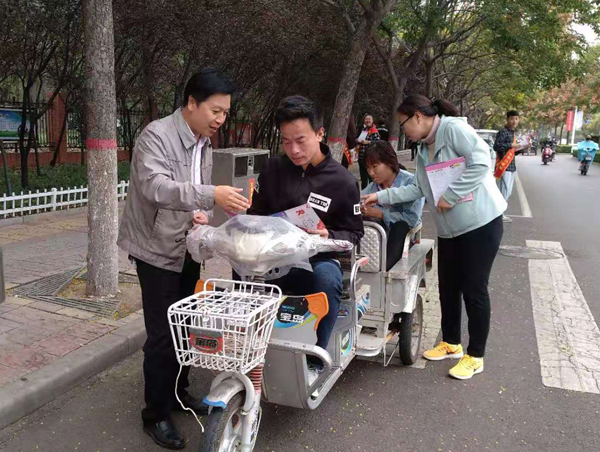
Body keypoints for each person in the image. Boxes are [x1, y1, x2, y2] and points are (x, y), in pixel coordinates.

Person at [117, 68, 250, 450]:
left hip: (186, 245)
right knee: (162, 335)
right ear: (192, 102)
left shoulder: (202, 142)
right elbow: (156, 187)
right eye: (215, 111)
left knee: (184, 326)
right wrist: (210, 196)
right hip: (156, 250)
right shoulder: (156, 136)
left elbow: (191, 192)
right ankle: (155, 415)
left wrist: (201, 214)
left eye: (225, 113)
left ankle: (177, 393)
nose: (220, 119)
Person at [362, 94, 506, 380]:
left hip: (480, 224)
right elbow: (417, 188)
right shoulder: (424, 148)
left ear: (418, 116)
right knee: (448, 287)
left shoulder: (453, 129)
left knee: (474, 290)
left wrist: (451, 195)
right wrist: (380, 196)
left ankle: (475, 356)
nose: (404, 131)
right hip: (449, 229)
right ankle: (451, 342)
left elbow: (481, 163)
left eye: (404, 124)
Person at [248, 95, 364, 369]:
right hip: (275, 255)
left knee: (328, 279)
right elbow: (256, 214)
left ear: (320, 134)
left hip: (317, 259)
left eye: (301, 140)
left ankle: (315, 356)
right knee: (242, 272)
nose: (294, 149)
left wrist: (328, 236)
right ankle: (253, 348)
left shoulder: (343, 181)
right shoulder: (272, 169)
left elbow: (354, 233)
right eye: (286, 141)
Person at [360, 140, 424, 271]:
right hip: (374, 242)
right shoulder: (371, 188)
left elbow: (411, 220)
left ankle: (384, 271)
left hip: (402, 240)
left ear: (389, 162)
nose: (371, 173)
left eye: (375, 166)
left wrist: (380, 214)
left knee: (401, 226)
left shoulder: (411, 183)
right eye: (368, 168)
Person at [493, 110, 524, 223]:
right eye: (512, 118)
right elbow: (496, 146)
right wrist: (511, 145)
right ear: (507, 119)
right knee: (502, 192)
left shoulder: (512, 133)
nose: (514, 121)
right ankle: (498, 215)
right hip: (504, 167)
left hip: (511, 166)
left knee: (507, 192)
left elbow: (510, 152)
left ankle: (500, 214)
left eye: (516, 119)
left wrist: (521, 149)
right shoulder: (503, 132)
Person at [356, 114, 380, 189]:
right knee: (363, 178)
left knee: (370, 177)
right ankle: (364, 193)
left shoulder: (374, 130)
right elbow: (358, 139)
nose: (368, 120)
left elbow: (378, 142)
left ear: (372, 121)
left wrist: (368, 142)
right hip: (361, 157)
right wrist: (357, 140)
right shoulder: (363, 130)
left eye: (369, 119)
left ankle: (372, 192)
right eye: (366, 119)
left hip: (369, 158)